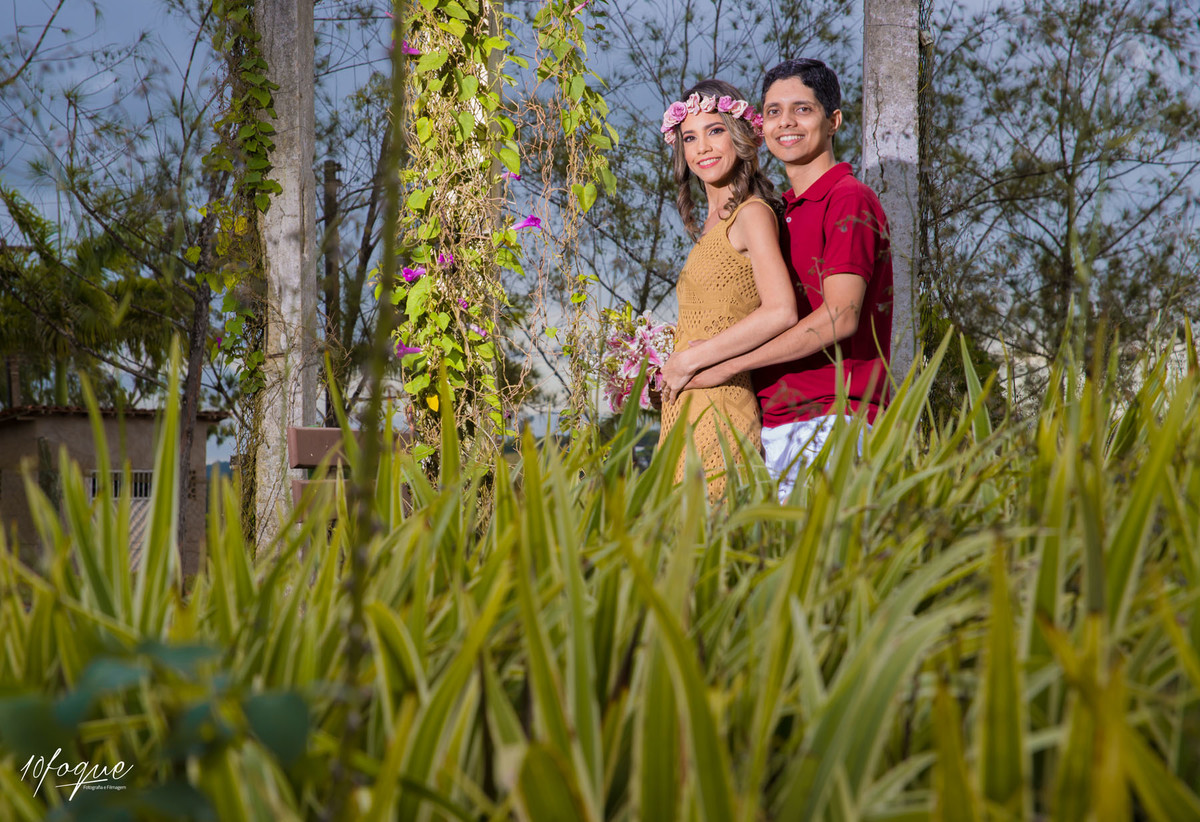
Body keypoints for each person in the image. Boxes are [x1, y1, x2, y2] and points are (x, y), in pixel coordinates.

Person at [684, 59, 894, 502]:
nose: (786, 123)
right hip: (777, 420)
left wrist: (724, 366)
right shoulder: (780, 211)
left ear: (833, 120)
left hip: (834, 417)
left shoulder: (848, 198)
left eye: (802, 110)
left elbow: (839, 317)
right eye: (774, 112)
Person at [655, 79, 798, 501]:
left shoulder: (752, 214)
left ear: (739, 135)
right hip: (686, 406)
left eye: (715, 130)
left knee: (712, 545)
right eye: (690, 137)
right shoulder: (711, 225)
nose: (703, 147)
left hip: (721, 403)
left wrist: (691, 360)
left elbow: (780, 311)